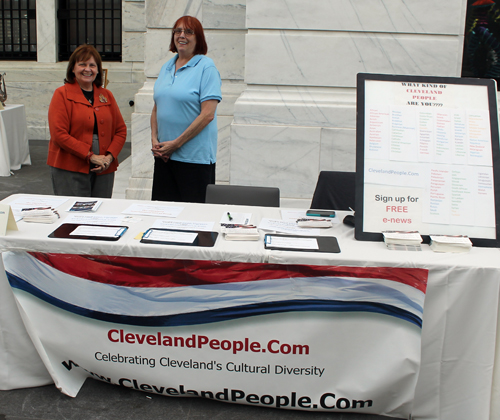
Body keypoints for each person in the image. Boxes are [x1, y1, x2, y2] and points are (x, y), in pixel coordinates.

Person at [151, 15, 222, 203]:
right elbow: (157, 107)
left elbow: (207, 114)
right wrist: (154, 141)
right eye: (178, 31)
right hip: (164, 158)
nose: (182, 35)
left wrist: (176, 144)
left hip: (194, 160)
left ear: (198, 38)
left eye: (188, 32)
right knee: (163, 217)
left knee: (194, 222)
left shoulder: (206, 67)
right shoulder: (166, 67)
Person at [47, 44, 127, 198]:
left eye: (92, 65)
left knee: (100, 213)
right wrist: (91, 156)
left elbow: (121, 130)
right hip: (69, 166)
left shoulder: (106, 95)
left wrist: (109, 158)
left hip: (104, 169)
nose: (87, 69)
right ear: (72, 68)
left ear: (98, 70)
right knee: (73, 214)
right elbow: (58, 134)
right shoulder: (62, 94)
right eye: (82, 64)